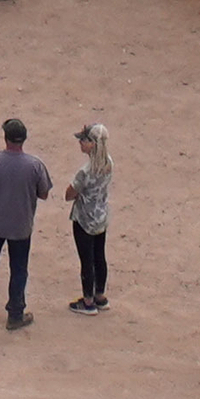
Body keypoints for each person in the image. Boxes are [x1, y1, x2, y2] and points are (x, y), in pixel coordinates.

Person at [0, 117, 55, 329]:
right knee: (19, 270)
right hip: (21, 225)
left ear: (5, 138)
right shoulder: (35, 165)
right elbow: (44, 193)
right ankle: (15, 314)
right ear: (24, 140)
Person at [64, 122, 112, 315]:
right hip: (101, 216)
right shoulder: (109, 163)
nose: (81, 143)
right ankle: (100, 295)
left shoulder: (85, 171)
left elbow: (69, 194)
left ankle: (88, 301)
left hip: (84, 218)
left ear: (93, 143)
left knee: (87, 259)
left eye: (84, 140)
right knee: (100, 256)